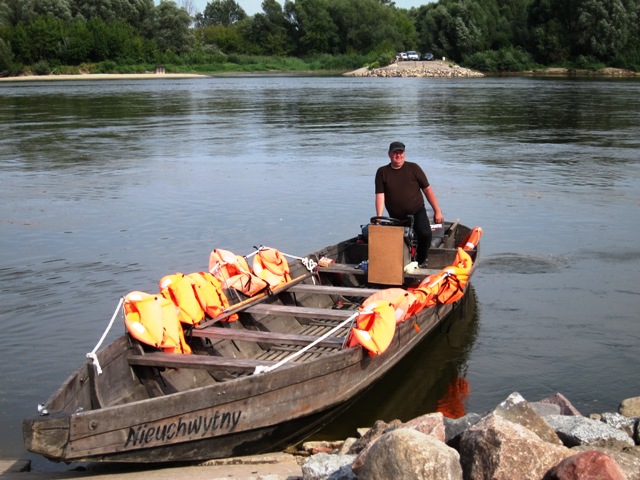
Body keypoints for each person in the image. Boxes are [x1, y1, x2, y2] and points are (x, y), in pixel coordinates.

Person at [374, 141, 443, 266]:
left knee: (425, 234)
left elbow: (427, 190)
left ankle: (421, 260)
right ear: (389, 154)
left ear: (404, 154)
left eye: (401, 152)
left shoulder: (414, 168)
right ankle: (396, 265)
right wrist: (379, 217)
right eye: (395, 152)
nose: (398, 155)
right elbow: (380, 195)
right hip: (395, 217)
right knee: (392, 243)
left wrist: (437, 210)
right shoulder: (382, 172)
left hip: (417, 211)